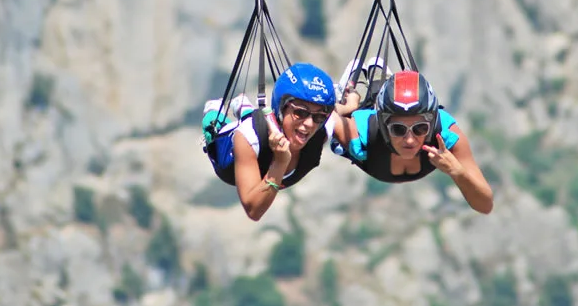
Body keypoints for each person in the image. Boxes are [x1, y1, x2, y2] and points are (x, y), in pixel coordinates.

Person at [332, 68, 494, 214]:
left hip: (376, 153)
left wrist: (457, 172)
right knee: (339, 141)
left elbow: (485, 206)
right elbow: (324, 113)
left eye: (420, 129)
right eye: (398, 129)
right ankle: (361, 97)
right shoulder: (360, 134)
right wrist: (348, 108)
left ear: (430, 125)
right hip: (366, 134)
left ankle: (378, 82)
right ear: (383, 125)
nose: (409, 140)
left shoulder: (446, 138)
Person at [201, 62, 349, 221]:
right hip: (229, 158)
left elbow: (339, 112)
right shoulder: (247, 137)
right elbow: (253, 210)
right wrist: (280, 162)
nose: (309, 124)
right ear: (281, 108)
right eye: (300, 113)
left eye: (319, 116)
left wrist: (352, 98)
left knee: (256, 119)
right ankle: (215, 110)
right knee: (214, 131)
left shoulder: (321, 129)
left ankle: (245, 109)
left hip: (262, 127)